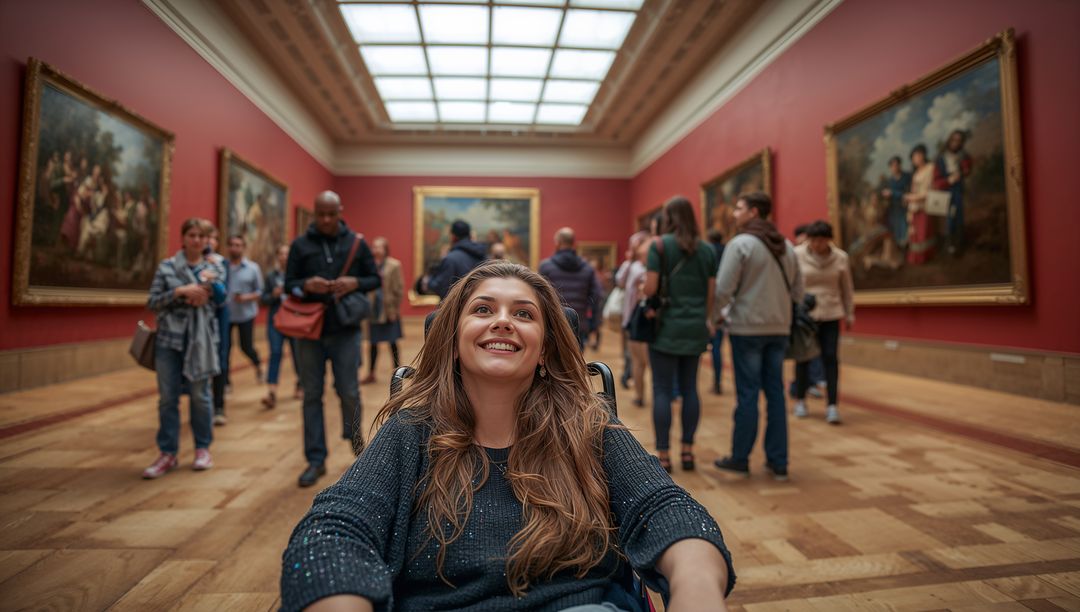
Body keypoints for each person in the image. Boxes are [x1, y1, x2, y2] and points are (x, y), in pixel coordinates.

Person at [280, 260, 735, 611]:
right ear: (453, 342)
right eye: (483, 310)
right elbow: (336, 528)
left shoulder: (587, 425)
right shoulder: (412, 430)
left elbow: (667, 509)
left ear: (543, 351)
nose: (503, 321)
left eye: (524, 314)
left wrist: (696, 590)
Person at [285, 191, 381, 488]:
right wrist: (305, 285)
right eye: (320, 214)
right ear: (314, 213)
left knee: (349, 391)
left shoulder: (357, 243)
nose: (325, 220)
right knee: (311, 394)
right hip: (310, 331)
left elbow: (374, 278)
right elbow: (289, 285)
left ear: (340, 211)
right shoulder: (300, 245)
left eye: (331, 214)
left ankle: (356, 446)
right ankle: (316, 459)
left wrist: (355, 282)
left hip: (346, 329)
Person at [713, 192, 803, 482]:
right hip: (779, 328)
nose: (734, 213)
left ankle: (740, 458)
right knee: (775, 393)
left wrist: (717, 315)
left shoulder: (740, 244)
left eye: (738, 208)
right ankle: (779, 462)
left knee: (748, 393)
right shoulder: (787, 246)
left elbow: (723, 289)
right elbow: (798, 292)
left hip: (747, 328)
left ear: (753, 212)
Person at [143, 218, 226, 479]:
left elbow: (221, 301)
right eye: (192, 235)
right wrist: (180, 291)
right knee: (168, 398)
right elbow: (153, 302)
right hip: (170, 340)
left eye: (202, 236)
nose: (197, 240)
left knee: (201, 397)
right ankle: (167, 453)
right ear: (183, 238)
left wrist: (211, 289)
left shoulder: (214, 267)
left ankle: (203, 448)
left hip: (200, 341)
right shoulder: (167, 267)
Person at [641, 197, 716, 474]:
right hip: (695, 327)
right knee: (689, 389)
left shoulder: (659, 246)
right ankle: (688, 451)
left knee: (662, 389)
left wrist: (642, 289)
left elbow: (650, 289)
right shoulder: (706, 250)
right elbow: (711, 293)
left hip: (665, 328)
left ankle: (663, 454)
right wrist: (704, 317)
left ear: (668, 217)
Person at [791, 221, 854, 424]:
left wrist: (849, 313)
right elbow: (791, 285)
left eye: (821, 240)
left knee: (830, 358)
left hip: (831, 313)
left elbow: (847, 288)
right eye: (814, 240)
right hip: (805, 315)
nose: (817, 245)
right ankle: (800, 399)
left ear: (829, 240)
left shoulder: (841, 257)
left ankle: (832, 405)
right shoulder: (797, 254)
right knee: (803, 358)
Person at [538, 227, 604, 351]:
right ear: (573, 243)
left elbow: (539, 295)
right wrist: (593, 324)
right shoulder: (587, 269)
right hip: (579, 323)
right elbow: (597, 296)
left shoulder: (546, 267)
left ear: (557, 242)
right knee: (575, 362)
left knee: (551, 361)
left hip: (553, 322)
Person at [261, 244, 302, 409]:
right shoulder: (271, 276)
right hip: (276, 321)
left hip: (294, 320)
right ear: (277, 257)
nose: (284, 257)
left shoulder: (298, 275)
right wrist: (273, 295)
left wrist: (294, 292)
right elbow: (263, 299)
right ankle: (271, 391)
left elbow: (305, 296)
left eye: (287, 254)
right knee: (275, 352)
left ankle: (300, 384)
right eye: (281, 254)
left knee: (297, 354)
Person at [361, 237, 404, 385]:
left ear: (386, 249)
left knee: (392, 342)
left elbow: (399, 289)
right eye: (374, 247)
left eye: (379, 247)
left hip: (388, 310)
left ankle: (398, 373)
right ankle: (371, 373)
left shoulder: (394, 265)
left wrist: (395, 309)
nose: (376, 250)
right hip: (373, 310)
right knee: (373, 343)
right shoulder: (369, 265)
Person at [226, 234, 264, 390]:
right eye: (232, 244)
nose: (235, 248)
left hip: (246, 314)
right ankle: (225, 382)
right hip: (226, 315)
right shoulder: (223, 267)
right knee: (225, 348)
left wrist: (246, 297)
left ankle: (258, 365)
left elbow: (260, 292)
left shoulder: (253, 268)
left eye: (238, 245)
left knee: (246, 346)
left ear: (243, 247)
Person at [615, 231, 649, 390]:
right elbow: (620, 281)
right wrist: (628, 262)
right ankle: (628, 374)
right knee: (629, 352)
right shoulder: (632, 265)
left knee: (637, 355)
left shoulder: (643, 266)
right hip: (628, 313)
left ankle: (631, 378)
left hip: (640, 315)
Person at [933, 129, 972, 255]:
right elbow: (937, 181)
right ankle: (949, 244)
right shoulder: (940, 158)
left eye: (959, 141)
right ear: (949, 141)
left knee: (958, 217)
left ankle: (959, 244)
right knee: (949, 218)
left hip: (958, 191)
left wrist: (961, 172)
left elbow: (967, 170)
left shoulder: (963, 155)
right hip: (946, 192)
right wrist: (949, 180)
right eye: (953, 140)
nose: (956, 143)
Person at [426, 220, 486, 300]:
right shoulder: (483, 256)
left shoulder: (451, 258)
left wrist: (429, 280)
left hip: (457, 310)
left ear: (453, 236)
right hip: (479, 308)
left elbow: (443, 289)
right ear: (469, 235)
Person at [206, 228, 230, 424]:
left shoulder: (221, 263)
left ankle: (218, 406)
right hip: (194, 318)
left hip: (217, 315)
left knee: (220, 359)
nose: (208, 242)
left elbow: (222, 295)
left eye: (213, 238)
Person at [905, 144, 936, 265]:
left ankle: (926, 257)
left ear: (922, 155)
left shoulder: (931, 168)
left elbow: (932, 189)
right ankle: (916, 258)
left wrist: (913, 197)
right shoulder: (916, 173)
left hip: (926, 205)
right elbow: (914, 190)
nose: (915, 159)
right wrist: (911, 198)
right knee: (915, 233)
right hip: (915, 206)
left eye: (916, 156)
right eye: (913, 157)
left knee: (925, 232)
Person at [706, 228, 727, 395]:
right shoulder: (727, 251)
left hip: (706, 306)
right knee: (717, 349)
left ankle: (682, 388)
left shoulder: (706, 252)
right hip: (722, 306)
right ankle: (717, 382)